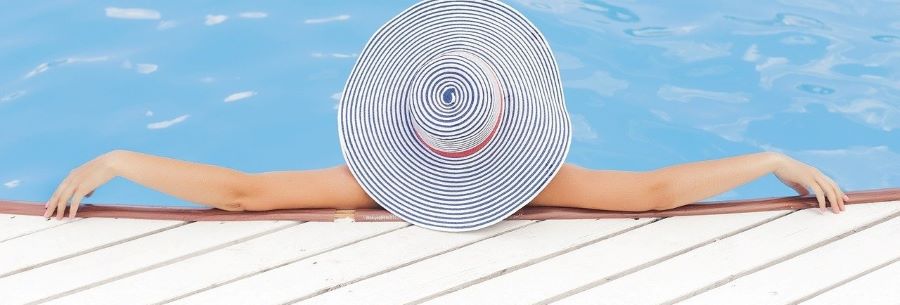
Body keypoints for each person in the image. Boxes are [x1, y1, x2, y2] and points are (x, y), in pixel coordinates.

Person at [43, 149, 848, 220]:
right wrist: (767, 159)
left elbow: (242, 193)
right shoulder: (533, 181)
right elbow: (653, 192)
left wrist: (122, 161)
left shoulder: (377, 183)